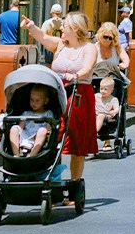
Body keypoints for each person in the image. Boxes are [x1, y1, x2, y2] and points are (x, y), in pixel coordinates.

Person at [20, 12, 98, 198]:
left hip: (78, 94)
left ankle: (74, 185)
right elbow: (43, 37)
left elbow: (87, 68)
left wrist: (76, 76)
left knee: (76, 143)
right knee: (53, 136)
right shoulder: (60, 44)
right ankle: (51, 182)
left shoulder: (89, 48)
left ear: (75, 29)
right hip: (56, 94)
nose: (61, 28)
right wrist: (31, 26)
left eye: (65, 25)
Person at [9, 84, 58, 157]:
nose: (34, 103)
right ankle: (16, 153)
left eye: (37, 101)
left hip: (39, 138)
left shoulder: (48, 114)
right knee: (14, 129)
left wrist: (47, 130)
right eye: (32, 100)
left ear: (45, 101)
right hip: (25, 135)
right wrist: (17, 129)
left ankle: (32, 154)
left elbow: (49, 128)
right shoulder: (26, 113)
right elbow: (21, 126)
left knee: (43, 130)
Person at [94, 77, 121, 147]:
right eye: (101, 89)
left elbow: (117, 108)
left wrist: (114, 111)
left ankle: (94, 132)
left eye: (105, 89)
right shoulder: (97, 96)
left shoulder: (113, 99)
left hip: (107, 115)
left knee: (101, 115)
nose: (102, 91)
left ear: (112, 90)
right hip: (95, 114)